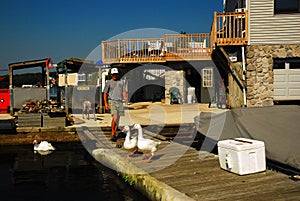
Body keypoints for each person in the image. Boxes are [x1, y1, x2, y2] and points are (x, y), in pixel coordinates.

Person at [103, 68, 127, 142]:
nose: (115, 76)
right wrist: (106, 103)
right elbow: (105, 93)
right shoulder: (108, 82)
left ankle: (115, 132)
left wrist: (125, 97)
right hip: (112, 101)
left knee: (118, 118)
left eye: (116, 74)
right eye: (113, 74)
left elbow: (123, 91)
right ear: (111, 75)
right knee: (115, 117)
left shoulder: (121, 82)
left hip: (119, 101)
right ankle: (113, 133)